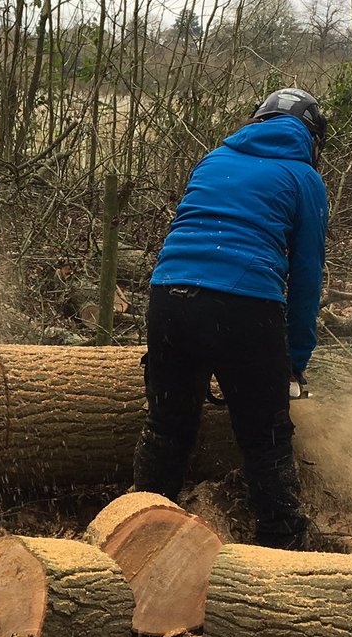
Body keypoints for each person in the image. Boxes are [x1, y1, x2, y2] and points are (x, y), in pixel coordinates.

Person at [133, 87, 327, 550]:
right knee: (265, 438)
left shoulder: (213, 159)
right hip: (243, 307)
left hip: (168, 300)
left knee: (166, 430)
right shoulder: (303, 177)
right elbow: (304, 278)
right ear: (311, 137)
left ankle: (136, 537)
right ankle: (281, 551)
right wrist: (294, 359)